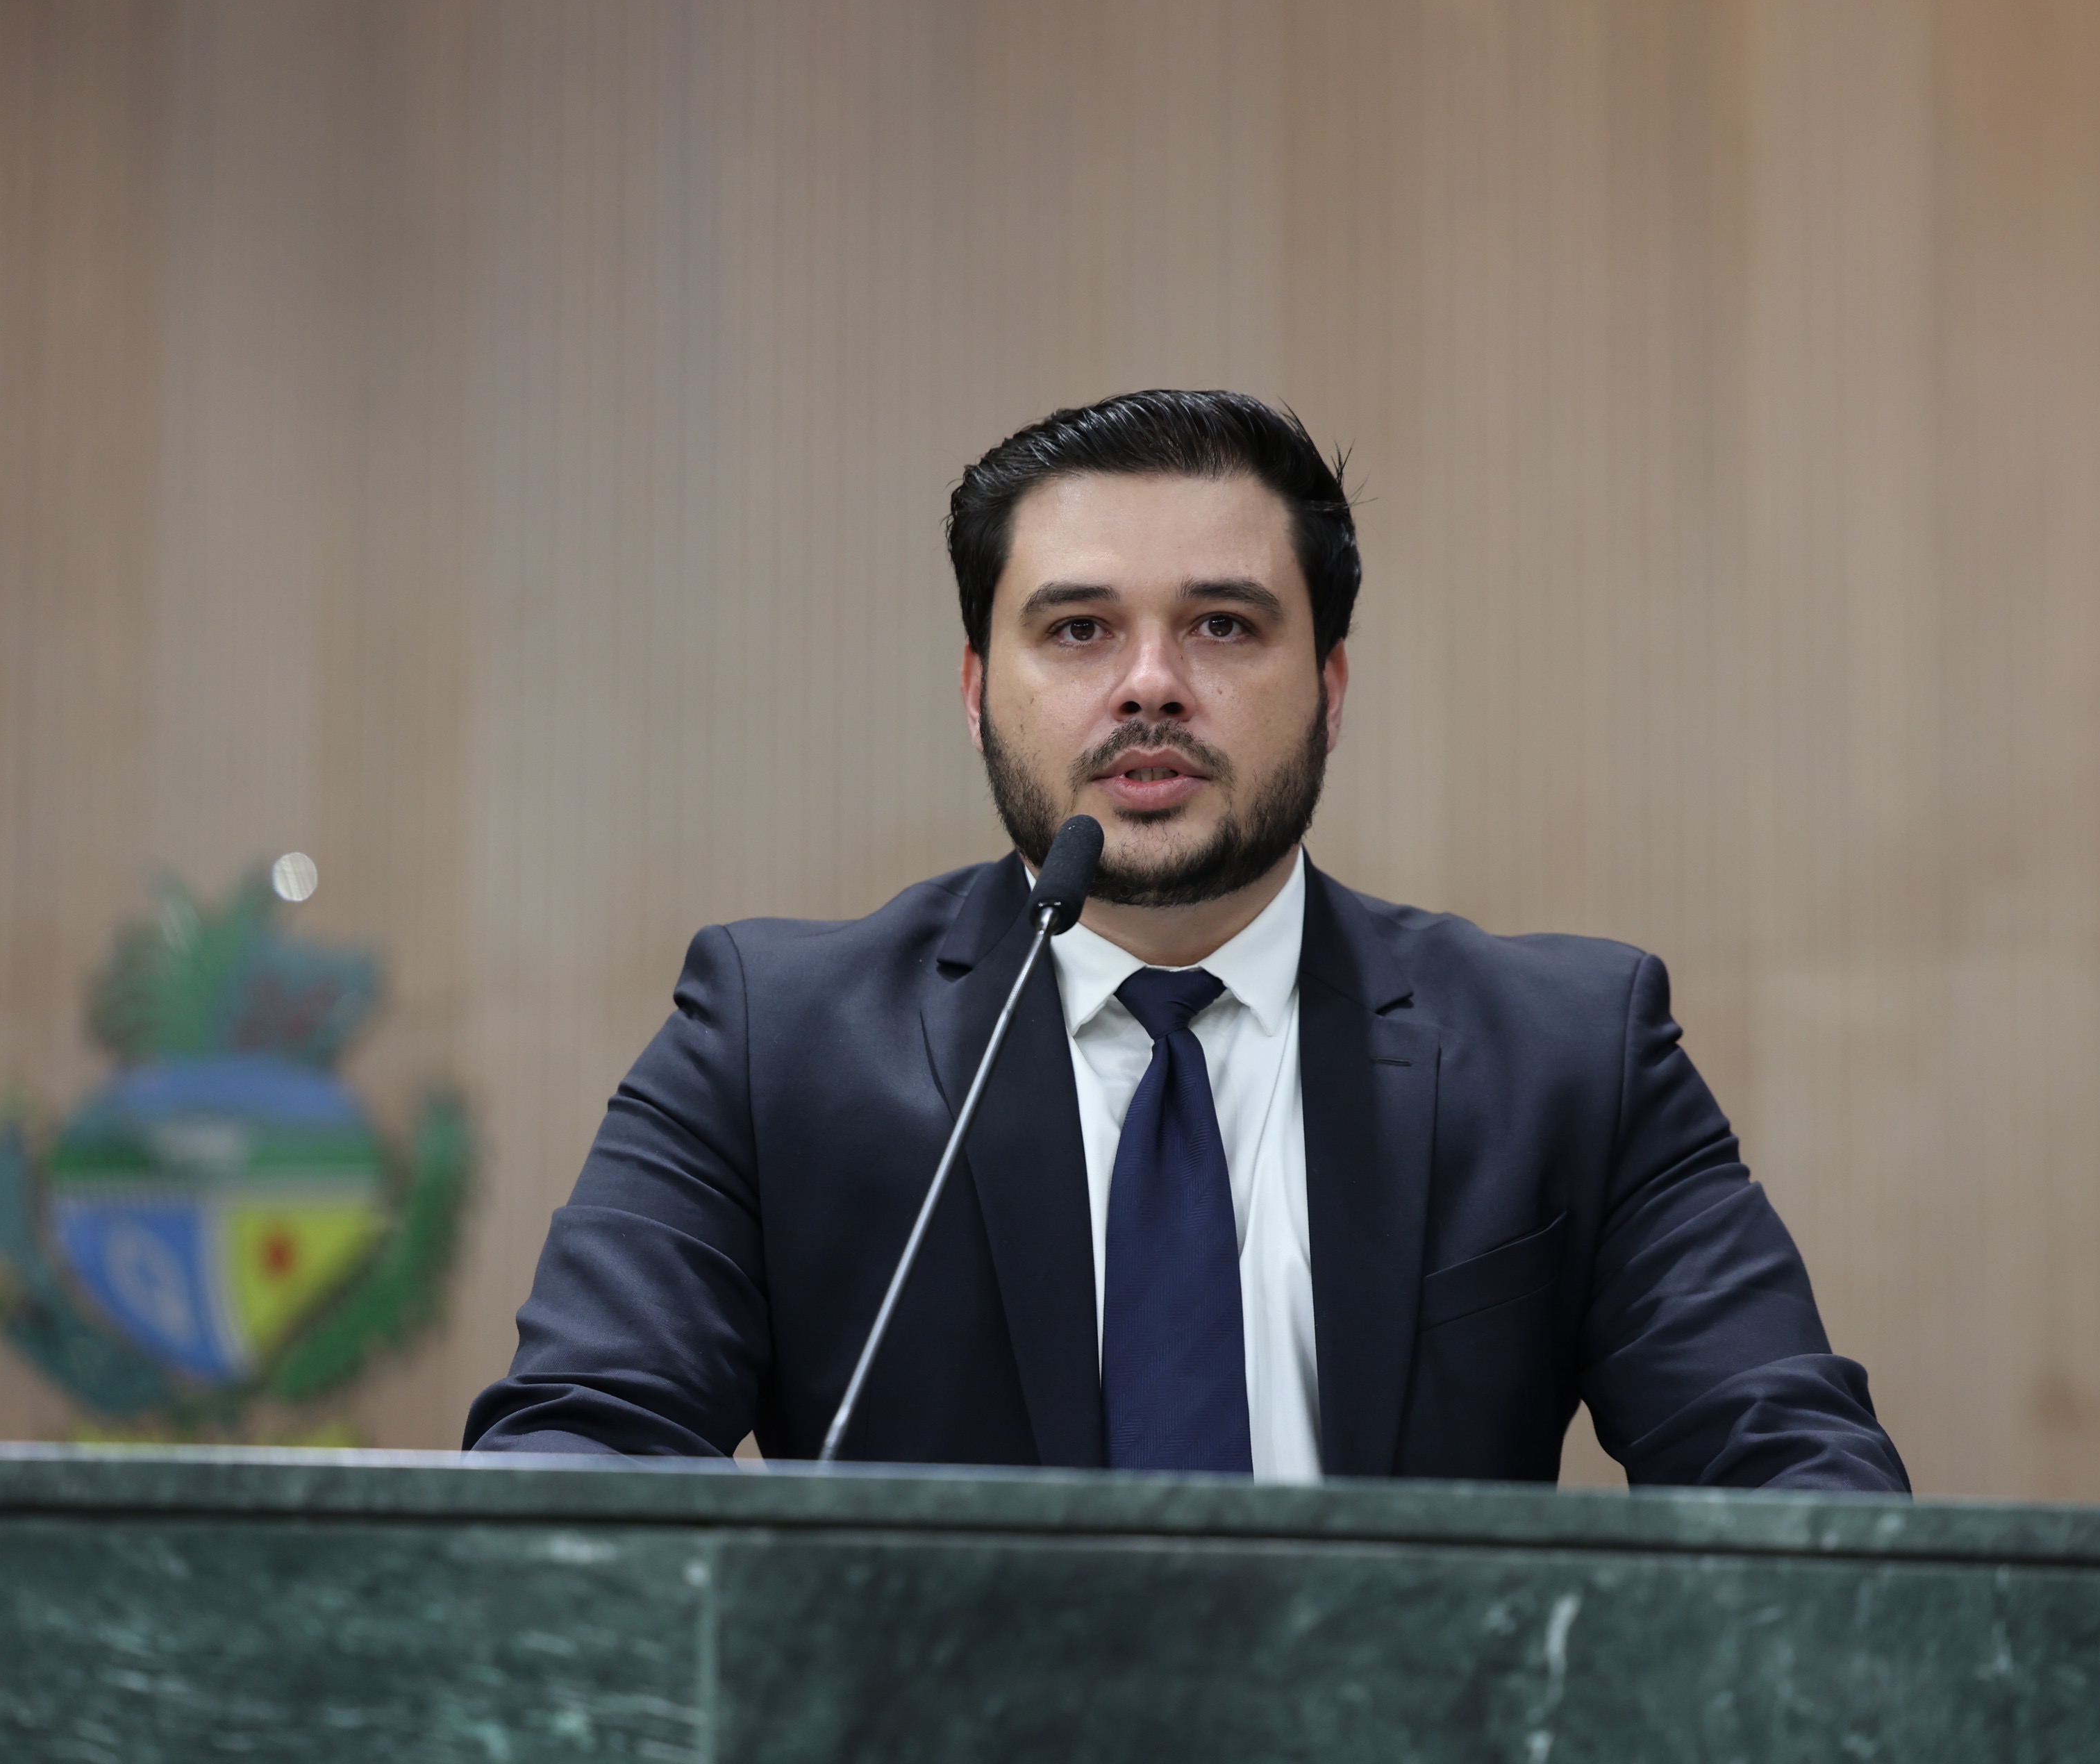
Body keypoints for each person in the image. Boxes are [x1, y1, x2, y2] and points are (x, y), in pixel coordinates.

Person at [465, 390, 1908, 1490]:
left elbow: (1794, 1473)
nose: (1150, 685)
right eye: (1078, 631)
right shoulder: (770, 1044)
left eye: (1222, 626)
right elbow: (574, 1456)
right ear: (975, 691)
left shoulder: (1566, 1054)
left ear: (1330, 689)